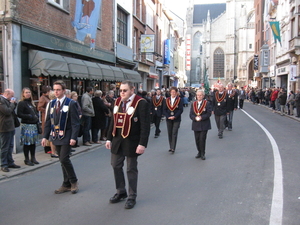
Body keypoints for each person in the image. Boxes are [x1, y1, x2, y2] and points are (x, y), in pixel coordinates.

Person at [105, 80, 150, 209]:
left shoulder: (141, 103)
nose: (122, 93)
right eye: (120, 91)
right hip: (117, 140)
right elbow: (113, 121)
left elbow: (145, 126)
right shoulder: (117, 101)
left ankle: (132, 196)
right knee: (115, 165)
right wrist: (108, 138)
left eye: (125, 90)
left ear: (132, 90)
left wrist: (142, 144)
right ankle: (121, 191)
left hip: (132, 141)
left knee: (131, 169)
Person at [41, 80, 80, 194]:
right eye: (55, 90)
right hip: (55, 135)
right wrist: (45, 137)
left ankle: (73, 181)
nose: (56, 92)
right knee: (61, 160)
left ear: (63, 90)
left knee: (64, 158)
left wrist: (74, 137)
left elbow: (75, 123)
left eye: (58, 90)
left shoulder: (71, 103)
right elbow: (48, 121)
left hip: (67, 135)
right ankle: (66, 183)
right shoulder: (52, 103)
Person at [17, 88, 40, 166]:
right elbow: (19, 114)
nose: (28, 94)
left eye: (29, 92)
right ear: (23, 94)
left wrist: (36, 116)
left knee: (33, 143)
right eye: (26, 92)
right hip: (26, 125)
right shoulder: (21, 103)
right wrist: (29, 116)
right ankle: (26, 159)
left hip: (34, 125)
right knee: (27, 143)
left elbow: (35, 112)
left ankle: (33, 158)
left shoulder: (31, 103)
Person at [0, 89, 20, 172]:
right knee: (4, 147)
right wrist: (12, 103)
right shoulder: (1, 101)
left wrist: (13, 104)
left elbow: (11, 110)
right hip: (4, 127)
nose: (12, 98)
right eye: (12, 96)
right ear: (7, 94)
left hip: (11, 126)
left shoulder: (7, 101)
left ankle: (10, 162)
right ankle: (3, 164)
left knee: (10, 146)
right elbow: (7, 111)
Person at [190, 90, 212, 160]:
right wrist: (195, 118)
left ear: (203, 96)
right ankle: (199, 152)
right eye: (198, 95)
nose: (199, 96)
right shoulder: (193, 104)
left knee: (202, 139)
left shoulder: (207, 103)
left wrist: (201, 117)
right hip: (196, 124)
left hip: (204, 124)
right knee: (197, 139)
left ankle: (203, 153)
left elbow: (209, 113)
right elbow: (191, 114)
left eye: (200, 95)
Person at [163, 86, 184, 153]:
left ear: (176, 93)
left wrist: (175, 116)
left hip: (176, 118)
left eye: (174, 92)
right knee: (170, 133)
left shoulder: (179, 100)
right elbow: (164, 109)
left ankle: (173, 148)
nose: (173, 93)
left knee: (174, 133)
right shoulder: (167, 100)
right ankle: (170, 146)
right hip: (168, 118)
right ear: (170, 93)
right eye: (172, 92)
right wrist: (168, 116)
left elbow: (181, 110)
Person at [38, 85, 51, 154]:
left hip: (47, 116)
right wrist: (47, 110)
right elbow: (39, 107)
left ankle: (49, 147)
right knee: (46, 131)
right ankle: (46, 148)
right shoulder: (43, 98)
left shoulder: (47, 98)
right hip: (45, 117)